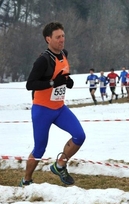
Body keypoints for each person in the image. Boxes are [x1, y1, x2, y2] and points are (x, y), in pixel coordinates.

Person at [21, 21, 86, 187]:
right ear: (48, 39)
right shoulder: (43, 60)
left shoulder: (64, 53)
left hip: (59, 108)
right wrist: (52, 83)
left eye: (63, 36)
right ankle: (26, 180)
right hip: (42, 110)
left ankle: (60, 165)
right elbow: (30, 84)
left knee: (80, 136)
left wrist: (67, 81)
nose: (62, 40)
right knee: (39, 149)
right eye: (58, 37)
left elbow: (61, 75)